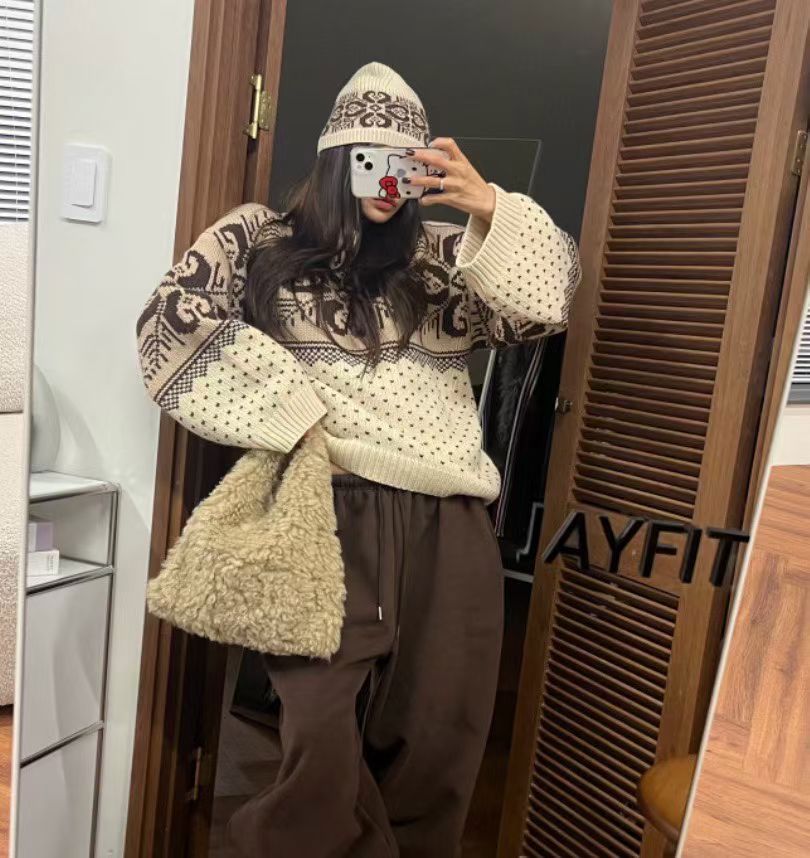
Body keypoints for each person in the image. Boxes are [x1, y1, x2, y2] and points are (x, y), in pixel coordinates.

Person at [136, 61, 581, 858]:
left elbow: (547, 305)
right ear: (336, 158)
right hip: (327, 512)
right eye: (370, 159)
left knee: (438, 747)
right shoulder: (259, 238)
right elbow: (170, 326)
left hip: (451, 523)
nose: (389, 181)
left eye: (407, 164)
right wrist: (290, 411)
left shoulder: (444, 257)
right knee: (317, 750)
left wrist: (491, 207)